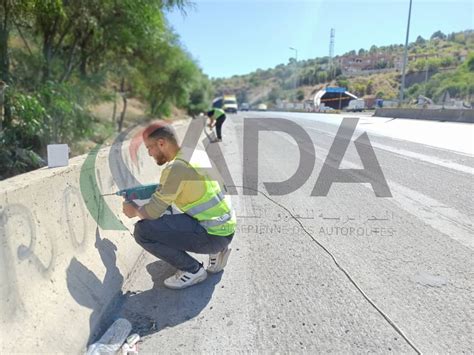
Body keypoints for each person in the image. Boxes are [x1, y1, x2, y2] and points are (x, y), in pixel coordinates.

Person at [122, 122, 236, 289]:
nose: (149, 153)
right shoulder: (195, 155)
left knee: (143, 231)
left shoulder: (176, 169)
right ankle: (218, 251)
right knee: (169, 210)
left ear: (161, 143)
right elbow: (181, 187)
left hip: (213, 235)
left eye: (149, 148)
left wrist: (134, 210)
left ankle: (193, 270)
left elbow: (152, 212)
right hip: (226, 227)